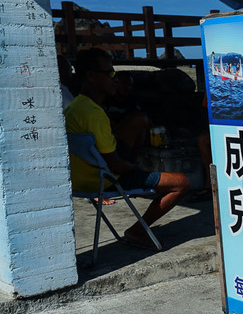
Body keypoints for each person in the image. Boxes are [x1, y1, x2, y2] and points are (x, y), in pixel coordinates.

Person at [65, 48, 190, 249]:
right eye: (110, 73)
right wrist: (137, 168)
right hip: (104, 181)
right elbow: (115, 165)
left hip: (80, 180)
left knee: (137, 120)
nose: (115, 79)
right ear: (92, 76)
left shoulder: (76, 106)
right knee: (182, 182)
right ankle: (138, 230)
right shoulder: (94, 114)